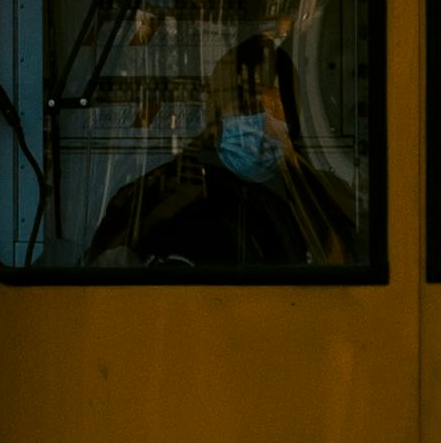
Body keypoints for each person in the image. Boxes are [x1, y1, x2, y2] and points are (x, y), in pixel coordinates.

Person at [81, 17, 353, 272]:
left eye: (271, 103)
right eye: (242, 104)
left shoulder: (324, 196)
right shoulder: (161, 195)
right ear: (216, 114)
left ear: (292, 112)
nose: (258, 117)